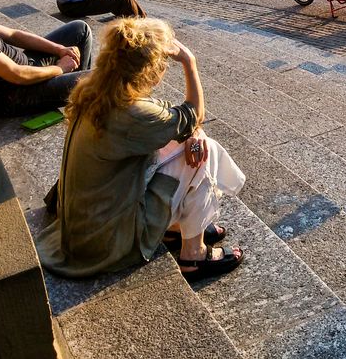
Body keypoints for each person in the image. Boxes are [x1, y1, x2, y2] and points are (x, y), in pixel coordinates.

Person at [36, 18, 246, 282]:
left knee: (193, 141)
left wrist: (193, 133)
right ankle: (194, 254)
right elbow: (194, 113)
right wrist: (189, 62)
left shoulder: (99, 90)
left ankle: (175, 228)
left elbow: (175, 119)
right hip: (109, 242)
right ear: (150, 69)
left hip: (86, 229)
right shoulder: (131, 113)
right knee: (205, 153)